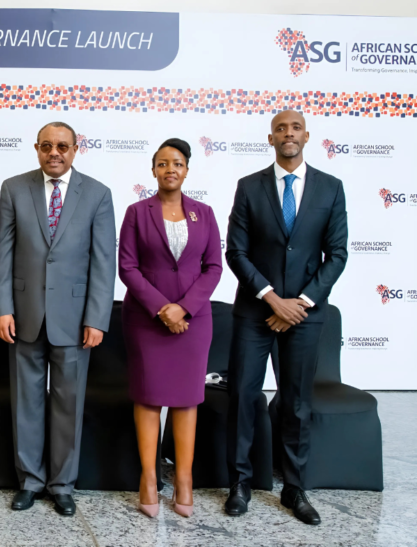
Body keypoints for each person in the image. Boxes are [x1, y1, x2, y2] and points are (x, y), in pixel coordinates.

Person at [225, 110, 348, 525]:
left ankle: (294, 488)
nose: (288, 134)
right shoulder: (249, 187)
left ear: (307, 136)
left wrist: (301, 303)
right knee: (243, 397)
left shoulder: (331, 188)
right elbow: (236, 252)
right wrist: (273, 299)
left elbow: (337, 255)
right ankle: (239, 483)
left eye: (295, 128)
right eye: (281, 128)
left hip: (306, 315)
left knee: (296, 403)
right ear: (270, 137)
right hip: (255, 311)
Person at [0, 121, 116, 516]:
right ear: (37, 149)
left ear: (76, 149)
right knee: (26, 402)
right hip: (24, 315)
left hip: (76, 320)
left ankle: (62, 484)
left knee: (68, 404)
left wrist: (97, 318)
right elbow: (1, 254)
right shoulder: (14, 188)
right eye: (47, 146)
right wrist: (2, 308)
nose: (54, 153)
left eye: (62, 146)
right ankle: (29, 480)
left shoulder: (97, 194)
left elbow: (103, 262)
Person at [118, 138, 223, 518]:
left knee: (187, 399)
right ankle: (148, 478)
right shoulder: (136, 212)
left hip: (194, 323)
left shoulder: (205, 213)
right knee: (148, 397)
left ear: (187, 170)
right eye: (162, 164)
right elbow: (127, 267)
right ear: (153, 170)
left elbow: (214, 267)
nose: (170, 170)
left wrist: (184, 309)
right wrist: (163, 308)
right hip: (147, 320)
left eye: (177, 163)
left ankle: (183, 480)